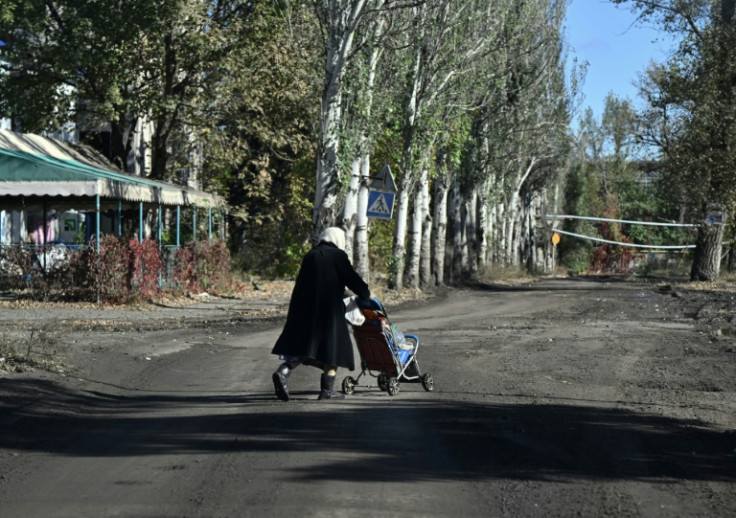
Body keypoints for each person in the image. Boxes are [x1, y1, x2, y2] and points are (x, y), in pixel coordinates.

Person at [271, 227, 371, 401]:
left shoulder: (310, 255)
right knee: (334, 347)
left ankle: (283, 371)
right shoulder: (338, 256)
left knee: (304, 346)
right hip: (328, 310)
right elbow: (352, 279)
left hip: (302, 309)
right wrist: (365, 294)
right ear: (338, 240)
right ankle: (327, 390)